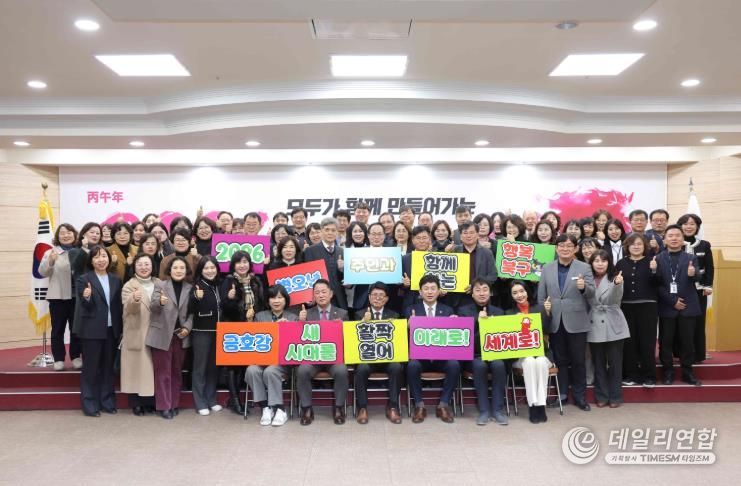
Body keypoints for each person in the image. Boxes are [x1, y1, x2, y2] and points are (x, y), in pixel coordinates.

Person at [537, 234, 595, 411]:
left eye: (569, 246)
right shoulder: (547, 268)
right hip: (555, 320)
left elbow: (592, 293)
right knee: (560, 360)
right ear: (556, 248)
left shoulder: (584, 267)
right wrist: (545, 311)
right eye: (561, 245)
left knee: (578, 360)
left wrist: (583, 288)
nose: (565, 249)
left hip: (577, 320)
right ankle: (561, 394)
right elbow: (541, 296)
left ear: (575, 248)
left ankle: (580, 397)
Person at [75, 245, 123, 417]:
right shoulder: (84, 279)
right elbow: (85, 306)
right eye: (96, 257)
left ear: (109, 259)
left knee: (108, 368)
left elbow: (118, 306)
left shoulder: (116, 280)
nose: (101, 260)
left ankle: (107, 402)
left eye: (103, 256)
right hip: (92, 331)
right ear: (91, 261)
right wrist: (86, 296)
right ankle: (89, 404)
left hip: (112, 330)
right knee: (91, 368)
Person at [405, 274, 459, 423]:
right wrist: (408, 326)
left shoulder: (448, 310)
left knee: (454, 364)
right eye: (426, 288)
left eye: (433, 288)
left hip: (441, 357)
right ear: (420, 292)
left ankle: (443, 404)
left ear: (439, 291)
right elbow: (401, 338)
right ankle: (419, 406)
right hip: (420, 357)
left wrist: (455, 324)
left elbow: (453, 337)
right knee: (412, 365)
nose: (429, 292)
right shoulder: (411, 310)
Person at [296, 279, 350, 425]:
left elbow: (349, 339)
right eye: (317, 292)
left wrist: (342, 327)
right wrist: (300, 322)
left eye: (324, 292)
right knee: (302, 370)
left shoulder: (342, 313)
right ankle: (307, 409)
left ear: (331, 294)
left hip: (333, 357)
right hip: (313, 357)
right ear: (313, 296)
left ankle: (339, 408)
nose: (321, 295)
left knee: (342, 370)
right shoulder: (306, 314)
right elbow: (298, 338)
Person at [147, 256, 193, 419]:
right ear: (170, 270)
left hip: (181, 335)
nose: (178, 271)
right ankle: (164, 405)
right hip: (162, 334)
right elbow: (153, 308)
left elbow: (193, 313)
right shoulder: (160, 285)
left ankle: (174, 403)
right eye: (175, 268)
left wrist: (187, 327)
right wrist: (160, 302)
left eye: (182, 268)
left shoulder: (190, 288)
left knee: (176, 372)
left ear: (186, 270)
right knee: (163, 372)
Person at [456, 278, 507, 425]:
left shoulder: (499, 312)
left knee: (499, 365)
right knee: (480, 366)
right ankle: (484, 410)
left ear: (491, 293)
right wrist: (478, 322)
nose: (482, 293)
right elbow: (464, 340)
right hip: (474, 355)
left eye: (485, 290)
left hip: (495, 354)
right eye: (477, 290)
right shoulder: (463, 312)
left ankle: (497, 410)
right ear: (472, 294)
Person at [656, 225, 702, 386]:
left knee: (687, 342)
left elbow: (697, 277)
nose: (674, 238)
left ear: (683, 239)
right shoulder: (658, 259)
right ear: (664, 240)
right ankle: (668, 372)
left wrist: (693, 274)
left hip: (688, 306)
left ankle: (688, 372)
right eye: (670, 236)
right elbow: (657, 284)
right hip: (667, 306)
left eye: (677, 235)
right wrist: (673, 301)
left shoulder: (691, 257)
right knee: (665, 341)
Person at [245, 284, 296, 427]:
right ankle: (265, 407)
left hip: (283, 362)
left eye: (280, 297)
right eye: (273, 298)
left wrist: (289, 328)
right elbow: (252, 339)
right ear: (268, 300)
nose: (276, 301)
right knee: (251, 370)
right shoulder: (260, 316)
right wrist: (249, 321)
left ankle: (280, 409)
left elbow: (297, 343)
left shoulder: (293, 318)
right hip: (262, 359)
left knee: (271, 371)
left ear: (285, 300)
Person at [222, 251, 266, 414]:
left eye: (245, 262)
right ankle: (234, 400)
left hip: (254, 327)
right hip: (234, 327)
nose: (242, 265)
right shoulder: (228, 281)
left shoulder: (256, 281)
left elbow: (263, 303)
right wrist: (230, 299)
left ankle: (250, 398)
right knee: (234, 366)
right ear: (233, 265)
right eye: (239, 262)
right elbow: (224, 308)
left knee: (250, 364)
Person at [354, 282, 403, 424]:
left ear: (386, 299)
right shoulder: (358, 314)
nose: (377, 298)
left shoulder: (394, 315)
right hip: (368, 358)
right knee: (361, 368)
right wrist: (363, 322)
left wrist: (395, 327)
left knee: (396, 367)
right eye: (374, 295)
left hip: (387, 358)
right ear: (369, 297)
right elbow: (353, 339)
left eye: (381, 295)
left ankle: (393, 406)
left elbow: (398, 341)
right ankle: (362, 407)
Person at [505, 280, 553, 424]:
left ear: (527, 292)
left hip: (542, 353)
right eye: (515, 293)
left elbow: (548, 330)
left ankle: (541, 405)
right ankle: (533, 405)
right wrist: (514, 323)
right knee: (530, 362)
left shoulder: (539, 308)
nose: (519, 295)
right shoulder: (509, 313)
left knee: (540, 362)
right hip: (521, 356)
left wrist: (547, 313)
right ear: (511, 296)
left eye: (522, 291)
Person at [616, 233, 660, 387]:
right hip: (626, 306)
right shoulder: (621, 263)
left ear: (645, 246)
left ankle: (649, 376)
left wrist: (654, 270)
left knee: (647, 342)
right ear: (627, 246)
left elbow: (658, 283)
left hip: (648, 306)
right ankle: (631, 375)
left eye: (639, 244)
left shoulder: (652, 261)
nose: (636, 246)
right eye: (633, 244)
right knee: (629, 342)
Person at [587, 250, 630, 408]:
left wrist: (617, 285)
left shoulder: (616, 277)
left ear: (609, 262)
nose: (600, 264)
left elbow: (615, 299)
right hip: (594, 322)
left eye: (603, 261)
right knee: (598, 363)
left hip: (613, 322)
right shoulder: (587, 279)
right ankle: (602, 396)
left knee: (615, 363)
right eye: (596, 260)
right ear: (591, 263)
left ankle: (616, 397)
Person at [39, 223, 82, 371]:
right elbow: (42, 272)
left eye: (69, 232)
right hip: (58, 297)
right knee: (57, 330)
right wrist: (50, 261)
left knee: (76, 329)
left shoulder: (80, 251)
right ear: (58, 236)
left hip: (77, 297)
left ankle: (76, 357)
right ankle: (58, 359)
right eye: (62, 233)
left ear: (74, 235)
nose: (66, 235)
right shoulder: (51, 252)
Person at [188, 256, 227, 415]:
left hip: (219, 332)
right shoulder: (197, 286)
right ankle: (200, 402)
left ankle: (211, 399)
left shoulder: (219, 285)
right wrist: (195, 297)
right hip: (201, 332)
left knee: (213, 368)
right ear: (201, 270)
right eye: (206, 268)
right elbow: (189, 308)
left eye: (212, 267)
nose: (210, 271)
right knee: (200, 368)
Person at [120, 253, 157, 415]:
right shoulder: (129, 286)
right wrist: (134, 300)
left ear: (152, 266)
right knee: (136, 368)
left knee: (151, 369)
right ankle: (136, 403)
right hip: (137, 331)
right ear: (134, 267)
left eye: (147, 264)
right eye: (140, 264)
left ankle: (150, 402)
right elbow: (130, 309)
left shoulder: (158, 283)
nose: (144, 267)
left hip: (155, 332)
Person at [677, 213, 714, 363]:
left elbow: (710, 267)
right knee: (680, 322)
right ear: (680, 226)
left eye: (692, 224)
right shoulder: (675, 243)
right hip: (679, 290)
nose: (689, 227)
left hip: (699, 290)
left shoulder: (704, 245)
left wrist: (708, 285)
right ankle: (679, 353)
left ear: (697, 227)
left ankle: (699, 354)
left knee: (699, 321)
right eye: (685, 224)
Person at [449, 221, 498, 309]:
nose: (468, 236)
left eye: (472, 232)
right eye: (465, 233)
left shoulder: (487, 253)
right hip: (458, 298)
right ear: (460, 236)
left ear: (477, 235)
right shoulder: (454, 251)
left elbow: (493, 275)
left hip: (480, 297)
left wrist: (476, 286)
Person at [303, 217, 348, 309]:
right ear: (322, 231)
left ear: (337, 232)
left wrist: (342, 269)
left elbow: (345, 279)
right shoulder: (310, 251)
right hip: (318, 299)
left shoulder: (342, 251)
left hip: (339, 299)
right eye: (327, 230)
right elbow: (308, 277)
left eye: (333, 230)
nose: (330, 233)